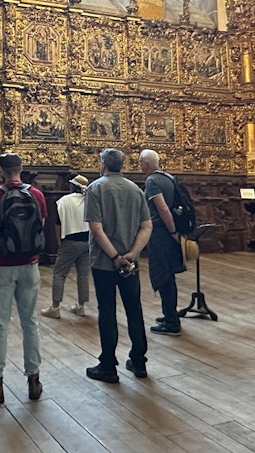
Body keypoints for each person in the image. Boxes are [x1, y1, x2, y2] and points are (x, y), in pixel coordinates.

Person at [0, 152, 46, 404]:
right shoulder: (36, 195)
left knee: (0, 323)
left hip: (3, 265)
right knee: (30, 322)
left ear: (1, 170)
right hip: (30, 264)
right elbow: (41, 226)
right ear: (22, 168)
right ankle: (34, 380)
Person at [83, 148, 152, 382]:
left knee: (107, 311)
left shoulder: (96, 188)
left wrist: (114, 257)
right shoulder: (135, 190)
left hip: (104, 263)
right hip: (130, 264)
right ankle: (139, 361)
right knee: (134, 308)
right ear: (122, 165)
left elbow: (96, 227)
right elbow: (146, 227)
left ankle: (108, 365)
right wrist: (131, 254)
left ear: (103, 164)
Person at [138, 149, 187, 335]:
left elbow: (163, 209)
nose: (139, 165)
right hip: (169, 232)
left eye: (140, 162)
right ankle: (169, 315)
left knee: (163, 277)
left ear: (146, 163)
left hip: (161, 232)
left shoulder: (152, 181)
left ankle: (172, 323)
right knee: (168, 276)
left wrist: (172, 230)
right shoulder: (168, 177)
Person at [41, 174, 91, 319]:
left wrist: (59, 242)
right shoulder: (87, 200)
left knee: (59, 274)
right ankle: (81, 307)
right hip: (86, 240)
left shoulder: (63, 201)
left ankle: (55, 307)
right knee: (83, 274)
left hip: (69, 240)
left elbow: (58, 224)